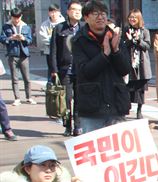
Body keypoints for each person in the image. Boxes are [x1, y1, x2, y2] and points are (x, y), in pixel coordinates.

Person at [73, 1, 131, 133]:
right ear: (86, 18)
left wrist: (115, 50)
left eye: (103, 13)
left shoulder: (115, 37)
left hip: (116, 104)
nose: (100, 17)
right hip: (92, 107)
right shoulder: (79, 41)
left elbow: (125, 69)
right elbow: (85, 71)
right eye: (95, 14)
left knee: (118, 151)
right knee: (95, 151)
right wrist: (104, 54)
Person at [51, 1, 84, 136]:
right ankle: (68, 126)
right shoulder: (59, 28)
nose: (77, 12)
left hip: (81, 70)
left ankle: (78, 126)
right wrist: (54, 69)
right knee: (67, 99)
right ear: (68, 12)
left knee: (79, 99)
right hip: (65, 70)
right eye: (74, 10)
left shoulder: (84, 28)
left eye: (79, 10)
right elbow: (53, 50)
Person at [1, 8, 35, 105]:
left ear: (21, 16)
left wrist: (23, 38)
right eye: (14, 18)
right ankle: (17, 98)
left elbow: (29, 40)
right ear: (11, 17)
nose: (16, 20)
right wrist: (10, 38)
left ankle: (29, 97)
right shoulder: (6, 27)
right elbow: (2, 39)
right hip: (12, 54)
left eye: (18, 18)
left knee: (27, 78)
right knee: (14, 78)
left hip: (24, 55)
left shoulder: (26, 27)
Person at [124, 9, 152, 120]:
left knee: (140, 89)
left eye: (134, 17)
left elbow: (147, 46)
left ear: (139, 18)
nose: (132, 19)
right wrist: (130, 40)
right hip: (129, 63)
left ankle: (139, 111)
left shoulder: (144, 31)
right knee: (128, 87)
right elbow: (123, 44)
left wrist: (138, 40)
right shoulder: (126, 30)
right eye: (130, 17)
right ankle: (126, 108)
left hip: (141, 64)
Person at [38, 4, 65, 80]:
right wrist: (54, 41)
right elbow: (43, 37)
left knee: (63, 70)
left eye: (55, 12)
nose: (53, 14)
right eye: (51, 12)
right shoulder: (44, 24)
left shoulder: (64, 23)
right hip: (49, 51)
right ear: (48, 13)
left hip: (62, 51)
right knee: (51, 70)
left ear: (59, 12)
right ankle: (51, 88)